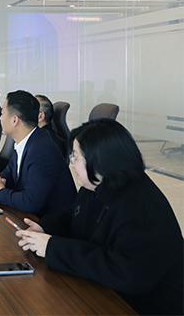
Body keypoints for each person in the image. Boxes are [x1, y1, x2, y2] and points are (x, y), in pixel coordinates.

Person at [16, 119, 183, 316]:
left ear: (100, 160)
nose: (72, 164)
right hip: (104, 293)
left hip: (143, 307)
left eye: (76, 157)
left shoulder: (141, 207)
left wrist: (52, 247)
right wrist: (44, 228)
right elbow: (74, 215)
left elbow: (125, 272)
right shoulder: (97, 185)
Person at [0, 90, 76, 217]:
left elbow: (31, 202)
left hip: (49, 222)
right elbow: (9, 173)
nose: (0, 118)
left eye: (2, 113)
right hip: (30, 216)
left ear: (15, 120)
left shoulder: (41, 150)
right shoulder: (26, 141)